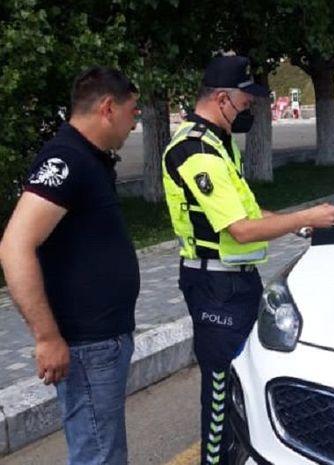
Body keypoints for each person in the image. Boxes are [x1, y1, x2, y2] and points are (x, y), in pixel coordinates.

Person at [162, 55, 334, 465]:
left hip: (235, 281)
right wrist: (306, 216)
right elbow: (240, 229)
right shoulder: (196, 151)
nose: (249, 112)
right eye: (245, 104)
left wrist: (300, 225)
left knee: (245, 381)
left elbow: (247, 210)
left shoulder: (219, 143)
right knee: (221, 391)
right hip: (214, 287)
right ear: (222, 99)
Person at [0, 66, 141, 465]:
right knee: (99, 456)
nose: (135, 122)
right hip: (87, 345)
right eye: (132, 111)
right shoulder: (66, 159)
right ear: (108, 108)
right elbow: (15, 246)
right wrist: (46, 337)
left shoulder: (88, 158)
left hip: (102, 341)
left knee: (103, 450)